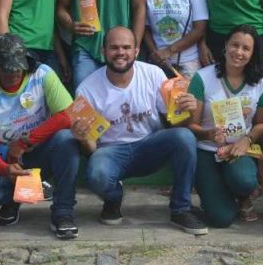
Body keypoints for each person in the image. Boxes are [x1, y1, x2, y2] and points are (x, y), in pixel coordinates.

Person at [77, 26, 207, 235]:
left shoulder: (153, 74)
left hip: (149, 145)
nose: (121, 53)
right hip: (111, 152)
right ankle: (113, 198)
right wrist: (83, 137)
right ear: (104, 51)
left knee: (184, 137)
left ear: (136, 51)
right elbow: (92, 148)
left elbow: (175, 123)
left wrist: (189, 111)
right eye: (114, 47)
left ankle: (181, 209)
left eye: (127, 47)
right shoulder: (87, 89)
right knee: (97, 172)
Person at [0, 34, 82, 239]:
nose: (14, 72)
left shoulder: (42, 74)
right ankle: (14, 197)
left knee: (66, 139)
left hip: (39, 152)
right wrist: (4, 168)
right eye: (7, 68)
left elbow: (68, 114)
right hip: (3, 158)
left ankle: (63, 212)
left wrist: (26, 141)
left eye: (18, 66)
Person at [185, 25, 263, 227]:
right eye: (235, 45)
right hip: (207, 150)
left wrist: (247, 140)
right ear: (225, 46)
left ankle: (242, 195)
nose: (239, 52)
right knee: (221, 219)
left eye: (246, 48)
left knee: (244, 181)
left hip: (238, 149)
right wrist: (208, 133)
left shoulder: (260, 81)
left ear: (253, 53)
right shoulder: (203, 77)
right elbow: (191, 126)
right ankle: (218, 195)